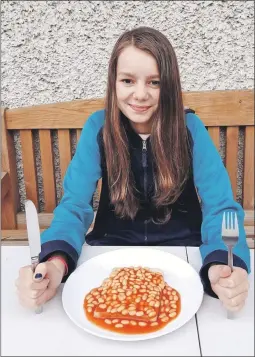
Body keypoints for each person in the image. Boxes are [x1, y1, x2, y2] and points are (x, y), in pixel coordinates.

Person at [16, 27, 250, 313]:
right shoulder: (98, 128)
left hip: (186, 252)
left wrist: (224, 264)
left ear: (170, 85)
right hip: (108, 252)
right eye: (128, 80)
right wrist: (55, 262)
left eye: (154, 82)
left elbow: (221, 205)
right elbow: (75, 205)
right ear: (113, 82)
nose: (141, 94)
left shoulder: (190, 129)